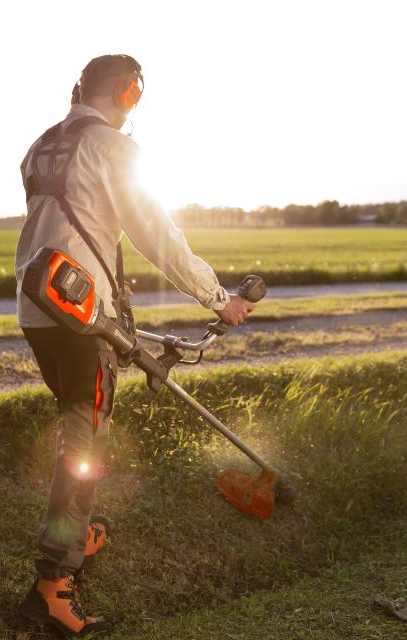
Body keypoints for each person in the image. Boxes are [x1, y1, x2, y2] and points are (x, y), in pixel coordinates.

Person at [15, 54, 253, 636]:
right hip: (82, 316)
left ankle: (76, 533)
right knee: (85, 445)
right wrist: (218, 297)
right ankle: (52, 585)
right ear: (128, 93)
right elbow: (157, 236)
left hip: (40, 308)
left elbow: (73, 225)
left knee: (77, 426)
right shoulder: (115, 149)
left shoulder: (41, 146)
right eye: (135, 96)